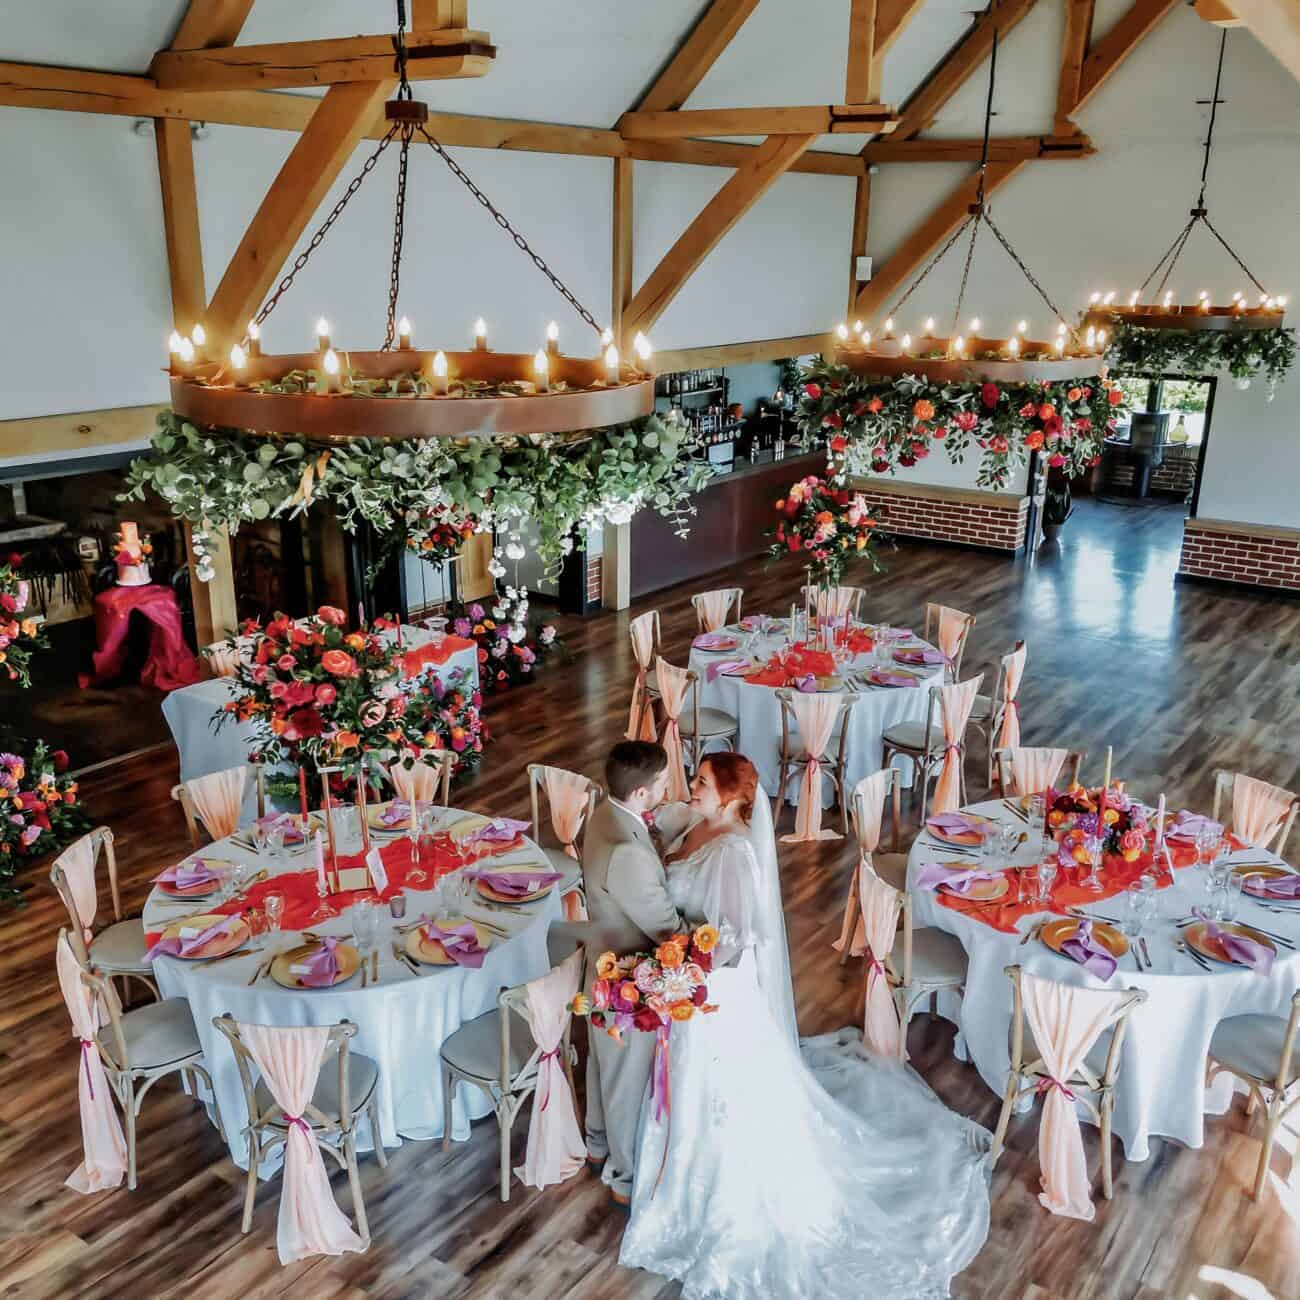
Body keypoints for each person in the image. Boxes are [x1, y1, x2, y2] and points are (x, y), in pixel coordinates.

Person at [619, 753, 992, 1300]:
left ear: (731, 797)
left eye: (701, 782)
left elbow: (733, 938)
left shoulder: (734, 854)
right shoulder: (696, 824)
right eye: (694, 779)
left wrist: (678, 974)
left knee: (714, 1097)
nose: (691, 786)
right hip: (691, 984)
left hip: (712, 993)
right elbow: (663, 827)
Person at [581, 739, 685, 1207]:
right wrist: (711, 938)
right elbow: (666, 927)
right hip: (627, 979)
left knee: (603, 1065)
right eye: (662, 782)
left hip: (600, 962)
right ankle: (624, 1178)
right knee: (625, 1080)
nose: (668, 787)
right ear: (641, 793)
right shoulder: (627, 852)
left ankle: (597, 1142)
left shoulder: (604, 814)